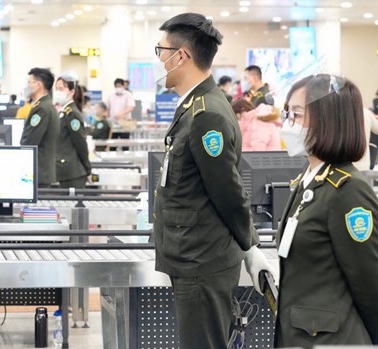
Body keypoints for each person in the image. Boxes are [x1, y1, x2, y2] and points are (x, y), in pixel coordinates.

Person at [152, 13, 273, 349]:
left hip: (202, 260)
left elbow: (228, 191)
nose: (159, 60)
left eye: (161, 51)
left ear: (182, 56)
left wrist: (250, 246)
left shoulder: (207, 114)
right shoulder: (193, 106)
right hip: (192, 254)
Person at [275, 74, 378, 348]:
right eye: (287, 114)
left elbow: (369, 283)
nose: (289, 125)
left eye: (297, 115)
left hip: (331, 339)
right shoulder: (311, 180)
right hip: (300, 333)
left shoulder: (347, 191)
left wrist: (377, 342)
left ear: (328, 119)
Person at [20, 68, 60, 188]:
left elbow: (30, 141)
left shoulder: (41, 109)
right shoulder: (45, 105)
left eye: (29, 82)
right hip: (42, 172)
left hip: (39, 173)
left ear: (38, 85)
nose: (27, 85)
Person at [54, 71, 91, 188]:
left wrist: (87, 167)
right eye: (56, 89)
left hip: (72, 172)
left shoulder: (72, 114)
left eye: (61, 89)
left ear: (72, 91)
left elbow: (80, 143)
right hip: (64, 170)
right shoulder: (63, 112)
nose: (58, 92)